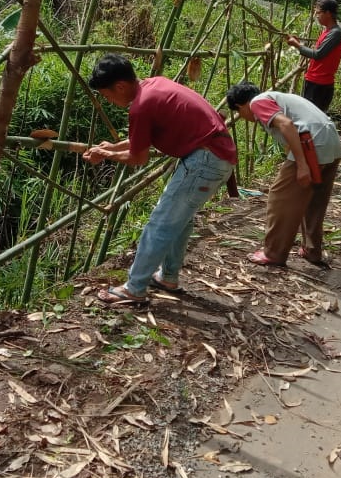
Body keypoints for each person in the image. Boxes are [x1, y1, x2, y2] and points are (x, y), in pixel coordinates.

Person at [82, 54, 236, 305]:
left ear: (120, 86)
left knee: (161, 223)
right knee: (179, 222)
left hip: (204, 161)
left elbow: (138, 157)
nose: (109, 101)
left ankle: (135, 288)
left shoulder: (141, 105)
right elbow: (141, 140)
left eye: (107, 96)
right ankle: (168, 277)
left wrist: (108, 154)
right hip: (215, 157)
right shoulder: (154, 86)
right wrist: (111, 147)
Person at [225, 83, 341, 269]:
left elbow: (286, 124)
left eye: (240, 113)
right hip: (331, 143)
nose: (244, 118)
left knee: (280, 197)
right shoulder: (278, 97)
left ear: (240, 106)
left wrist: (302, 165)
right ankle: (312, 250)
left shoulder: (257, 103)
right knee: (314, 199)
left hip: (313, 145)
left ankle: (273, 253)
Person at [286, 0, 341, 113]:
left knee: (311, 119)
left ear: (327, 13)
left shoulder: (335, 33)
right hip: (315, 80)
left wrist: (297, 45)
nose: (316, 16)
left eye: (318, 13)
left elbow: (318, 54)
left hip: (320, 84)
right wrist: (299, 44)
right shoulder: (328, 31)